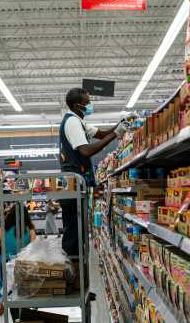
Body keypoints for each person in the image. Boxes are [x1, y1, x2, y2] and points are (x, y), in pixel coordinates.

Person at [59, 87, 129, 258]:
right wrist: (115, 135)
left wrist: (120, 125)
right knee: (74, 226)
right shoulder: (72, 122)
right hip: (73, 180)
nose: (90, 105)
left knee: (79, 223)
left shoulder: (79, 121)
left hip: (78, 180)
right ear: (77, 105)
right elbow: (86, 151)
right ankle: (73, 267)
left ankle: (76, 264)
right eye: (87, 103)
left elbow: (101, 134)